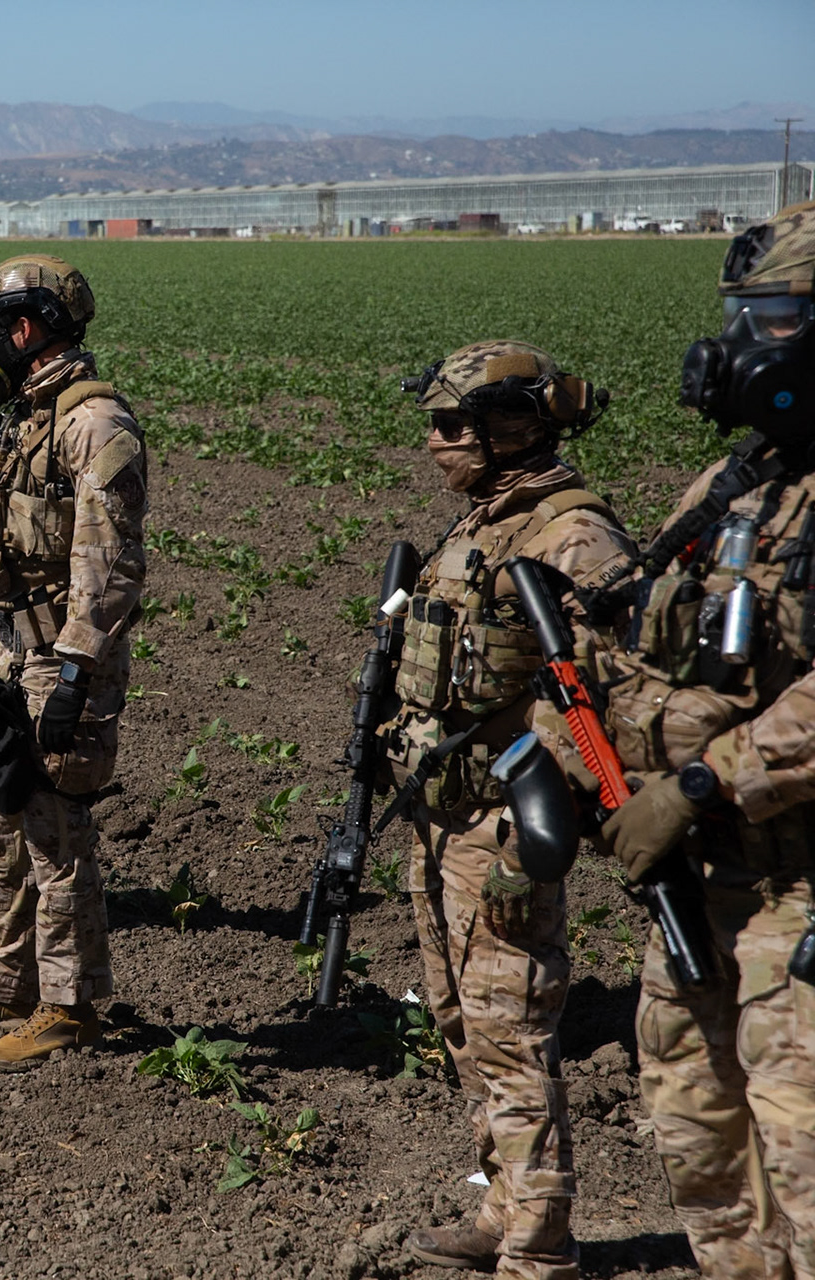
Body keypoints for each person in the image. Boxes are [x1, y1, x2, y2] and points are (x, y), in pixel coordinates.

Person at [592, 200, 815, 1277]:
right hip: (707, 887)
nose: (735, 346)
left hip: (799, 897)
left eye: (770, 317)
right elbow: (638, 634)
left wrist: (698, 778)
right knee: (703, 1153)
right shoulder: (743, 486)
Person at [376, 342, 630, 1280]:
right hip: (441, 820)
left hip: (505, 828)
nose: (434, 443)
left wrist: (537, 841)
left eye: (451, 426)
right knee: (459, 1022)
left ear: (511, 426)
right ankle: (502, 1207)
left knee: (512, 1033)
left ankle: (539, 1249)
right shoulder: (479, 526)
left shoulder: (573, 536)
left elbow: (603, 703)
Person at [0, 254, 146, 1070]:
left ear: (25, 328)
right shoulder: (22, 417)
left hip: (59, 655)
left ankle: (68, 1003)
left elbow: (109, 568)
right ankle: (2, 980)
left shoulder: (93, 423)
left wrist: (76, 672)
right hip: (9, 649)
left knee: (54, 832)